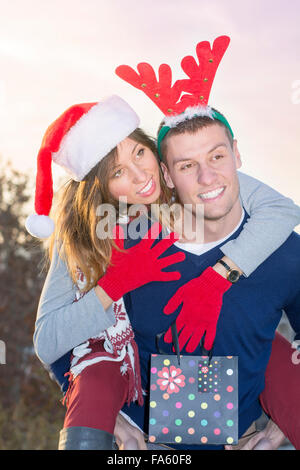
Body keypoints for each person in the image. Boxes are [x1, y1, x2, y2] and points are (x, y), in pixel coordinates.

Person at [30, 96, 300, 450]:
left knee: (262, 338)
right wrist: (114, 284)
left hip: (233, 411)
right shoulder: (95, 237)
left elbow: (273, 206)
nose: (141, 176)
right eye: (117, 171)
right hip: (150, 412)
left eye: (139, 155)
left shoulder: (226, 201)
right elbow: (51, 341)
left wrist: (219, 278)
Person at [116, 109, 300, 450]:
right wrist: (111, 419)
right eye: (187, 165)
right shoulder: (131, 243)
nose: (207, 176)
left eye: (217, 156)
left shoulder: (286, 251)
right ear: (167, 177)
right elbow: (74, 339)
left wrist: (282, 426)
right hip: (141, 446)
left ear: (236, 153)